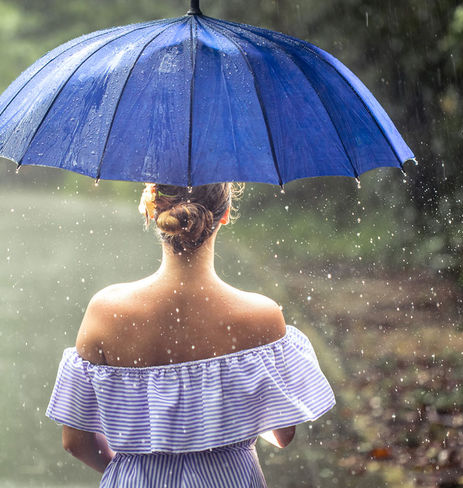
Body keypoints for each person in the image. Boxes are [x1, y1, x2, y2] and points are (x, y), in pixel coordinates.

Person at [46, 182, 335, 487]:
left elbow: (75, 441)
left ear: (152, 209)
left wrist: (129, 473)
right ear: (223, 215)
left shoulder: (105, 312)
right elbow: (282, 435)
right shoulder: (261, 316)